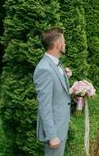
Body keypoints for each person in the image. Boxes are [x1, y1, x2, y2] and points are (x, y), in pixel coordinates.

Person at [33, 27, 72, 156]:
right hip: (54, 130)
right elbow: (44, 106)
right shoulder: (44, 69)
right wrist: (52, 135)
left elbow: (57, 88)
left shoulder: (55, 63)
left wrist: (66, 76)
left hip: (61, 124)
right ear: (57, 44)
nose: (65, 44)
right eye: (64, 41)